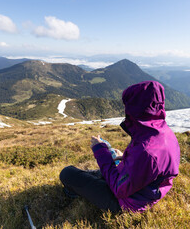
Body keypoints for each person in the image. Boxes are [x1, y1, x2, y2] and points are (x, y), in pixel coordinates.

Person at [59, 80, 180, 212]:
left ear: (135, 109)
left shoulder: (146, 151)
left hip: (126, 202)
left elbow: (119, 189)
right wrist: (125, 158)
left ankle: (75, 193)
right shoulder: (164, 134)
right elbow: (152, 168)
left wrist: (99, 150)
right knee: (96, 172)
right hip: (143, 191)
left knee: (67, 173)